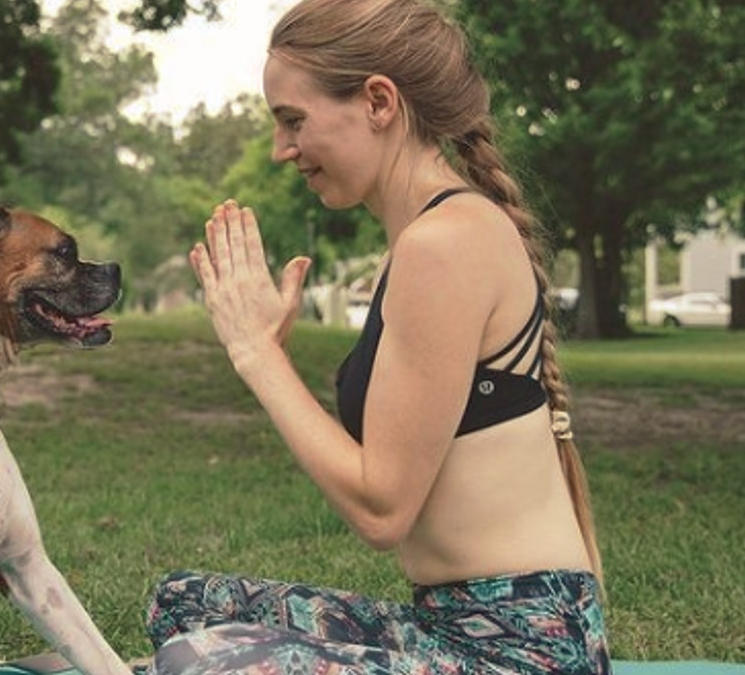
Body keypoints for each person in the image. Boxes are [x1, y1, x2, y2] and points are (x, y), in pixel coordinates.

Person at [142, 0, 609, 673]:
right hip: (445, 625)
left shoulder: (444, 244)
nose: (281, 150)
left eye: (292, 121)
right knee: (186, 605)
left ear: (379, 102)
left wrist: (257, 353)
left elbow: (382, 507)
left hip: (526, 651)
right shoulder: (419, 242)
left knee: (212, 661)